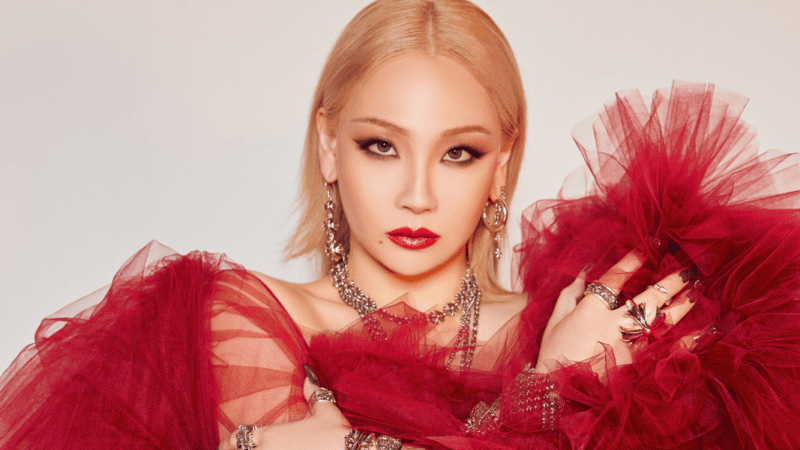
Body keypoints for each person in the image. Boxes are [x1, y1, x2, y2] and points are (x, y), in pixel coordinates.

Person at [1, 1, 799, 449]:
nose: (417, 194)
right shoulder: (238, 319)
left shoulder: (580, 324)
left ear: (501, 165)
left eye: (459, 153)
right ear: (329, 147)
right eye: (380, 146)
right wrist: (546, 396)